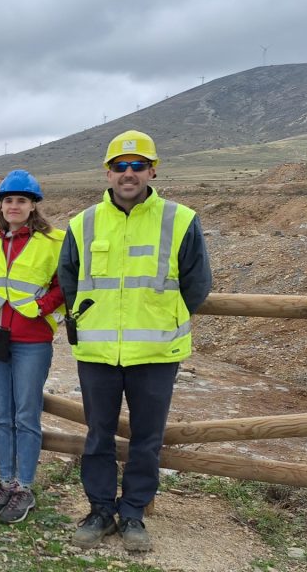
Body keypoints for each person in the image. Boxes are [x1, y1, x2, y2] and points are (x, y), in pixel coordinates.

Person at [59, 130, 212, 551]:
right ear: (107, 173)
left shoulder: (179, 219)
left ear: (152, 170)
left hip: (157, 351)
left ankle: (133, 514)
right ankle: (101, 510)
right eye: (120, 166)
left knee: (147, 438)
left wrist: (165, 317)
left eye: (137, 165)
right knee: (98, 434)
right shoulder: (83, 222)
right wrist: (86, 317)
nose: (128, 173)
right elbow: (69, 279)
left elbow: (197, 284)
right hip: (98, 349)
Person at [0, 170, 65, 524]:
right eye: (9, 200)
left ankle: (25, 488)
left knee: (26, 414)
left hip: (32, 340)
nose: (14, 205)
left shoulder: (54, 241)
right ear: (1, 204)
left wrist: (41, 308)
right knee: (1, 415)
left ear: (33, 205)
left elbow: (63, 283)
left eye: (21, 200)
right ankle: (5, 483)